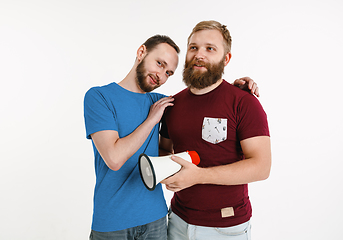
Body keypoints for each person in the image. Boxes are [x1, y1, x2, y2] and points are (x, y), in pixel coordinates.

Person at [84, 34, 259, 239]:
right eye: (159, 63)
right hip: (112, 222)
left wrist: (233, 87)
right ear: (141, 53)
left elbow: (202, 96)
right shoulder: (99, 97)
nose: (161, 75)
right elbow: (114, 159)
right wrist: (151, 120)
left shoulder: (165, 102)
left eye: (168, 72)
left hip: (156, 219)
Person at [160, 20, 271, 240]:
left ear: (226, 58)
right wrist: (166, 172)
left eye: (210, 48)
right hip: (177, 221)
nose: (199, 54)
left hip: (226, 228)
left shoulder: (244, 102)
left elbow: (261, 167)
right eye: (194, 47)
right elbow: (163, 150)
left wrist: (199, 176)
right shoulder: (173, 104)